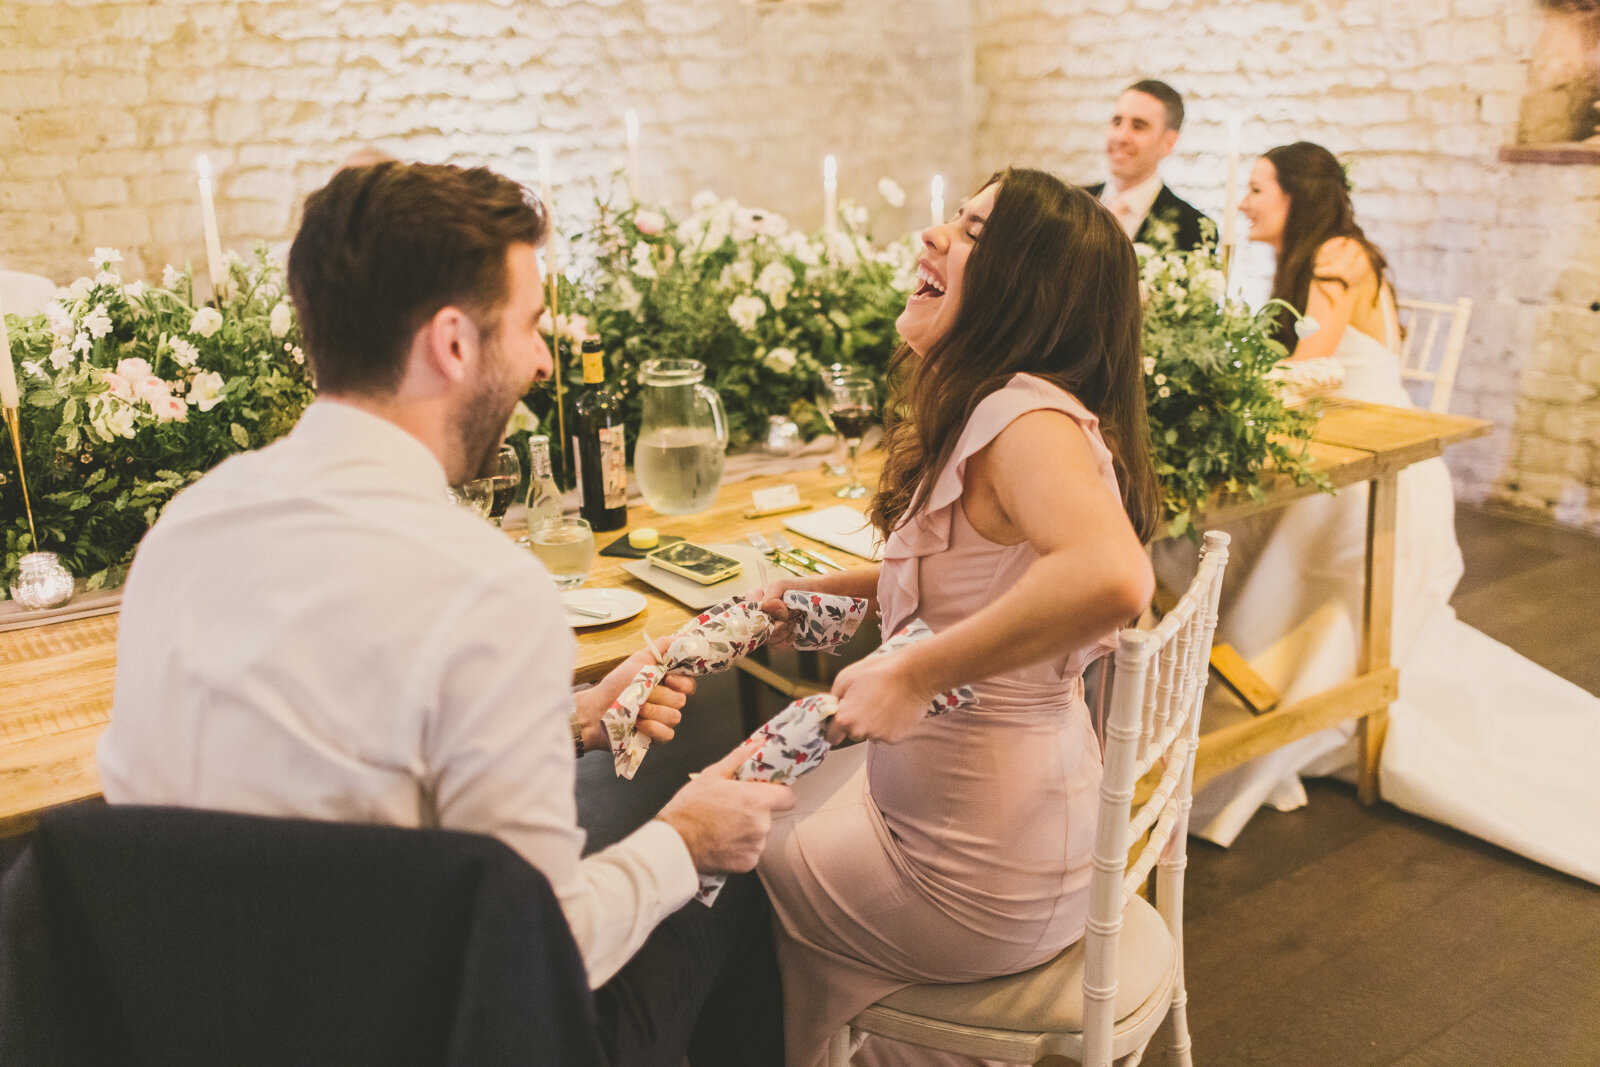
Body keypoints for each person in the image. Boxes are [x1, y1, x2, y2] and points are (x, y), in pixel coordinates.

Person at [97, 161, 796, 1067]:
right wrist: (687, 841)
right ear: (455, 344)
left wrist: (571, 721)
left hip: (197, 1020)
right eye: (533, 323)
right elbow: (542, 951)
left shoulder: (189, 528)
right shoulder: (485, 592)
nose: (544, 359)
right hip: (417, 1030)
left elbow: (338, 770)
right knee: (736, 873)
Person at [753, 169, 1160, 1067]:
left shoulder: (1023, 421)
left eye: (972, 230)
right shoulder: (1014, 407)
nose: (934, 235)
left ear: (1027, 285)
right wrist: (822, 592)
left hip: (980, 876)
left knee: (743, 842)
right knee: (773, 795)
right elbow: (964, 579)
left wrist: (916, 671)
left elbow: (1113, 574)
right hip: (1024, 829)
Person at [1158, 143, 1600, 890]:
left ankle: (1254, 689)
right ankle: (1217, 669)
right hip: (1331, 458)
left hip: (1375, 473)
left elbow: (1308, 365)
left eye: (1257, 188)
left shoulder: (1337, 253)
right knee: (1212, 530)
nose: (1243, 202)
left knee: (1212, 534)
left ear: (1298, 193)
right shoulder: (1308, 259)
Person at [1085, 79, 1212, 252]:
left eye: (1138, 126)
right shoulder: (1068, 205)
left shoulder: (1192, 229)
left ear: (1168, 142)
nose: (1121, 137)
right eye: (1117, 122)